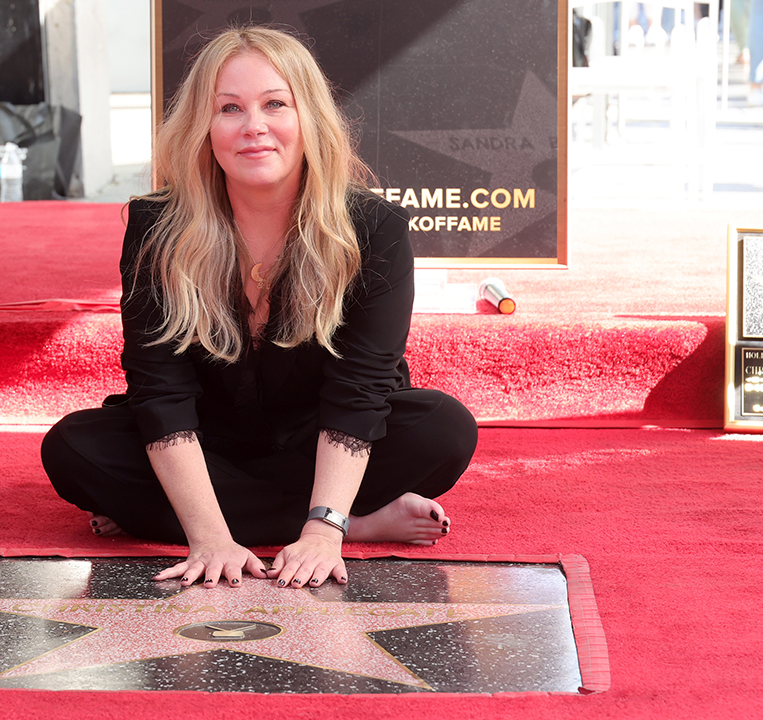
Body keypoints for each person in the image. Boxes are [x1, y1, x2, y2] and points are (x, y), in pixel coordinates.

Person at [41, 26, 477, 592]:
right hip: (207, 442)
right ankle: (358, 521)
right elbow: (161, 390)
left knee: (444, 431)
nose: (254, 126)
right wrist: (207, 538)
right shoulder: (157, 228)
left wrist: (321, 535)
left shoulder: (375, 229)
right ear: (204, 127)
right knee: (73, 448)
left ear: (309, 118)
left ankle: (286, 518)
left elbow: (360, 390)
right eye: (229, 108)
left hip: (319, 439)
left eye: (275, 104)